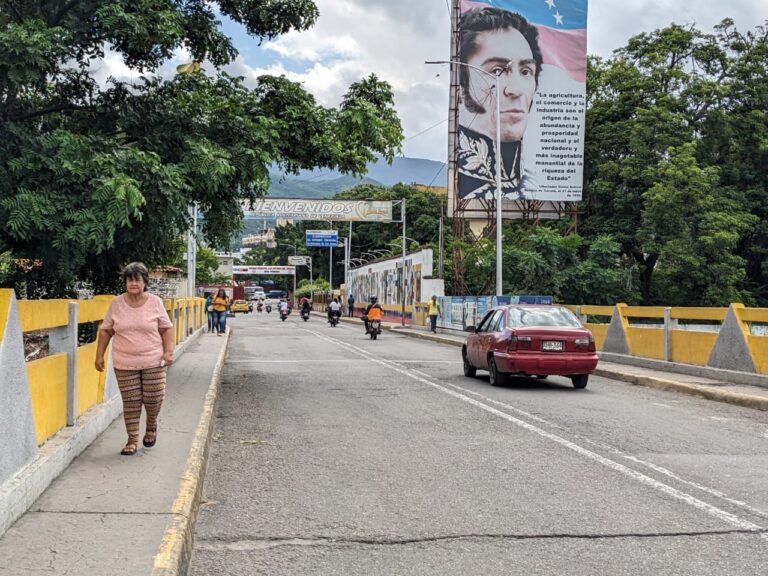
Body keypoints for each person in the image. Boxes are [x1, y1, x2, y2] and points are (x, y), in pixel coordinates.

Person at [457, 6, 543, 200]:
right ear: (461, 86)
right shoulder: (463, 186)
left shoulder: (535, 184)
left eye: (526, 71)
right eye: (497, 71)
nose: (515, 90)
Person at [94, 262, 175, 456]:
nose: (133, 283)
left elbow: (166, 329)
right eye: (129, 280)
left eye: (137, 279)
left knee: (154, 398)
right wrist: (99, 355)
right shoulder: (116, 304)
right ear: (125, 283)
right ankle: (132, 440)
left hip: (153, 360)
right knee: (131, 402)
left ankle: (151, 425)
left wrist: (168, 352)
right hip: (125, 362)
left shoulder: (155, 302)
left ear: (145, 282)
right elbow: (106, 331)